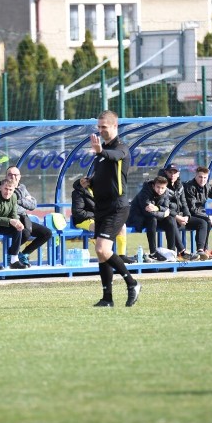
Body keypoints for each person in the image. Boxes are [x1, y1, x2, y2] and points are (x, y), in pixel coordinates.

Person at [90, 110, 140, 307]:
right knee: (101, 253)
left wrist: (100, 151)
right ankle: (107, 298)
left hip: (117, 207)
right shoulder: (101, 154)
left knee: (102, 248)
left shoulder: (121, 148)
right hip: (101, 207)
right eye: (99, 127)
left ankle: (132, 283)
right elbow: (103, 179)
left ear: (115, 126)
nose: (101, 130)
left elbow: (115, 156)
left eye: (104, 127)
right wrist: (88, 182)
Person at [71, 175, 134, 264]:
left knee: (122, 226)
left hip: (100, 217)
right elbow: (77, 212)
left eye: (89, 179)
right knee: (99, 227)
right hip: (83, 220)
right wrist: (96, 215)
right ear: (81, 182)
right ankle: (106, 255)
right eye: (84, 180)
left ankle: (122, 255)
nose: (86, 181)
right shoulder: (77, 193)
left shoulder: (99, 191)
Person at [6, 165, 52, 267]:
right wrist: (24, 200)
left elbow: (33, 205)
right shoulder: (4, 188)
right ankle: (11, 253)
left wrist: (20, 201)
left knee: (47, 233)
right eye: (10, 175)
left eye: (15, 175)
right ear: (6, 176)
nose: (13, 177)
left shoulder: (22, 188)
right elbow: (10, 206)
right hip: (10, 219)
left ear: (19, 176)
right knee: (25, 233)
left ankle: (24, 254)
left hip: (23, 218)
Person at [127, 175, 179, 261]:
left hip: (154, 216)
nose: (160, 190)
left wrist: (157, 208)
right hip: (138, 218)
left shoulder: (165, 192)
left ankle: (171, 251)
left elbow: (166, 208)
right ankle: (153, 252)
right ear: (153, 185)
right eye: (158, 187)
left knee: (170, 219)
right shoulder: (145, 192)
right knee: (153, 220)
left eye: (162, 188)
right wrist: (163, 214)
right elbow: (148, 213)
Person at [184, 166, 212, 260]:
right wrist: (208, 216)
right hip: (191, 215)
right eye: (200, 177)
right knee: (206, 222)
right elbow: (192, 209)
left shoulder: (207, 187)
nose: (202, 180)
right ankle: (204, 250)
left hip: (203, 214)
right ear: (196, 176)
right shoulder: (189, 187)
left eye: (205, 177)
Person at [158, 164, 204, 260]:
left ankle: (201, 251)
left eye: (175, 173)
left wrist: (187, 216)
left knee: (202, 222)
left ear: (178, 174)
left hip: (180, 217)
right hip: (165, 217)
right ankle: (181, 252)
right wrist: (177, 217)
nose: (172, 175)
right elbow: (163, 206)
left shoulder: (180, 186)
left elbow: (184, 203)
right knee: (171, 221)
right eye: (170, 172)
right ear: (166, 173)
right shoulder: (162, 185)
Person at [0, 179, 27, 270]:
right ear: (0, 188)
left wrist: (17, 222)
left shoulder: (14, 197)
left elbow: (14, 215)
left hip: (2, 224)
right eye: (6, 189)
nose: (8, 192)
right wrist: (10, 221)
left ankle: (14, 260)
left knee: (17, 228)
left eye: (10, 190)